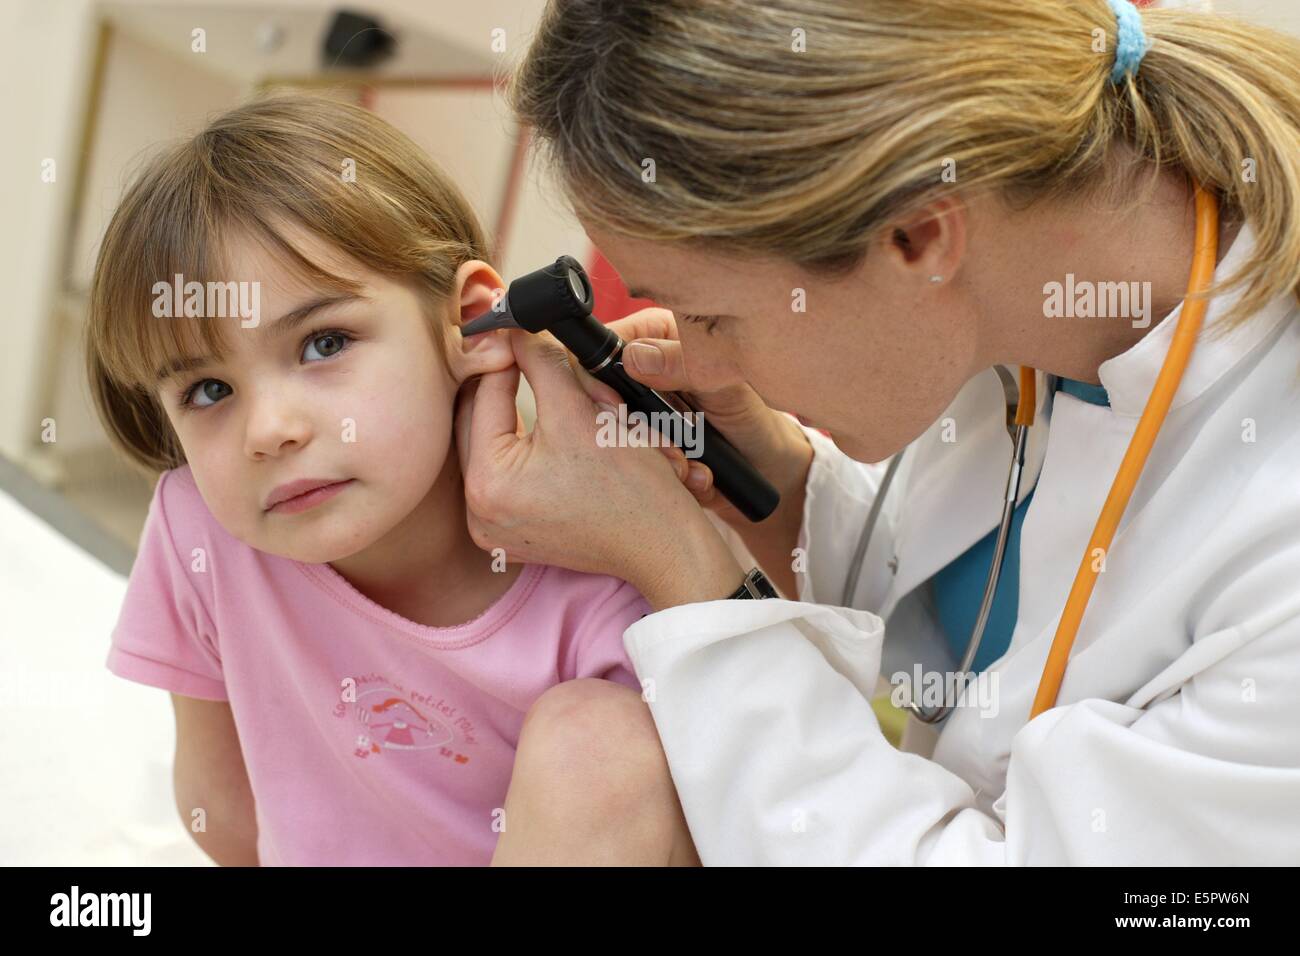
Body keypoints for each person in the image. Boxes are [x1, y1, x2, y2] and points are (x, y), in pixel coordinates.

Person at [457, 0, 1300, 864]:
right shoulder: (1039, 312)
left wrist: (679, 564)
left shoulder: (1279, 554)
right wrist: (780, 488)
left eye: (712, 315)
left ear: (915, 237)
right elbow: (983, 596)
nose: (699, 363)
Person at [87, 92, 692, 866]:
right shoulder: (197, 532)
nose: (270, 430)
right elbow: (219, 805)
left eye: (324, 342)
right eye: (208, 392)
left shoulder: (602, 565)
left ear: (470, 321)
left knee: (600, 734)